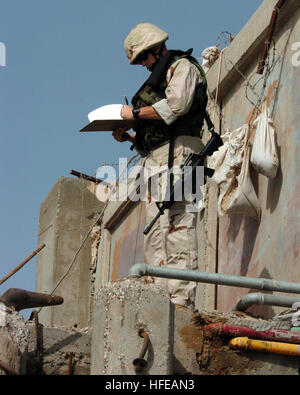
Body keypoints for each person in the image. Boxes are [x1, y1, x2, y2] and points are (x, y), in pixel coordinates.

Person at [112, 23, 208, 309]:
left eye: (144, 58)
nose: (143, 65)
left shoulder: (183, 67)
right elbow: (154, 139)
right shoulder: (156, 78)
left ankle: (180, 301)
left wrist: (136, 113)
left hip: (183, 157)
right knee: (155, 232)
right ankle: (159, 300)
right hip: (155, 163)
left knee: (180, 227)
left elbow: (176, 107)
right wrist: (129, 135)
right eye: (139, 61)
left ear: (157, 48)